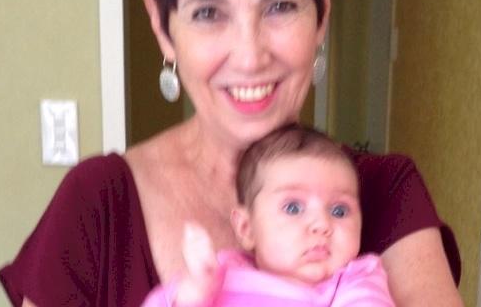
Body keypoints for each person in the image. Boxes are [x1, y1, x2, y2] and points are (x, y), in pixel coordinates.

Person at [0, 0, 463, 307]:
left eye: (280, 6)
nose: (249, 56)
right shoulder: (95, 206)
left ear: (322, 9)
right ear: (161, 24)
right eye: (208, 12)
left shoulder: (383, 194)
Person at [142, 124, 395, 306]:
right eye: (293, 208)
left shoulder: (356, 279)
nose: (321, 224)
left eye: (339, 210)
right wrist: (193, 294)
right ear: (246, 229)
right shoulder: (220, 273)